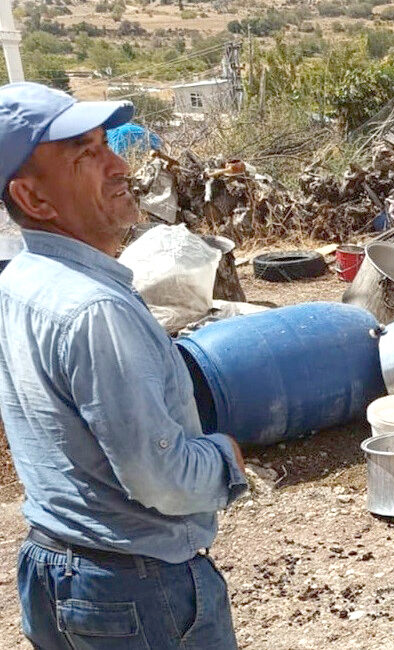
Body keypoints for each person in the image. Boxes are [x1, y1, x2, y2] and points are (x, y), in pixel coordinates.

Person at [0, 82, 248, 649]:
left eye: (107, 144)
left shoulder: (20, 280)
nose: (118, 165)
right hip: (134, 592)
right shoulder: (95, 310)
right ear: (35, 199)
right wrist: (224, 459)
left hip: (56, 571)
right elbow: (159, 478)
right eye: (85, 154)